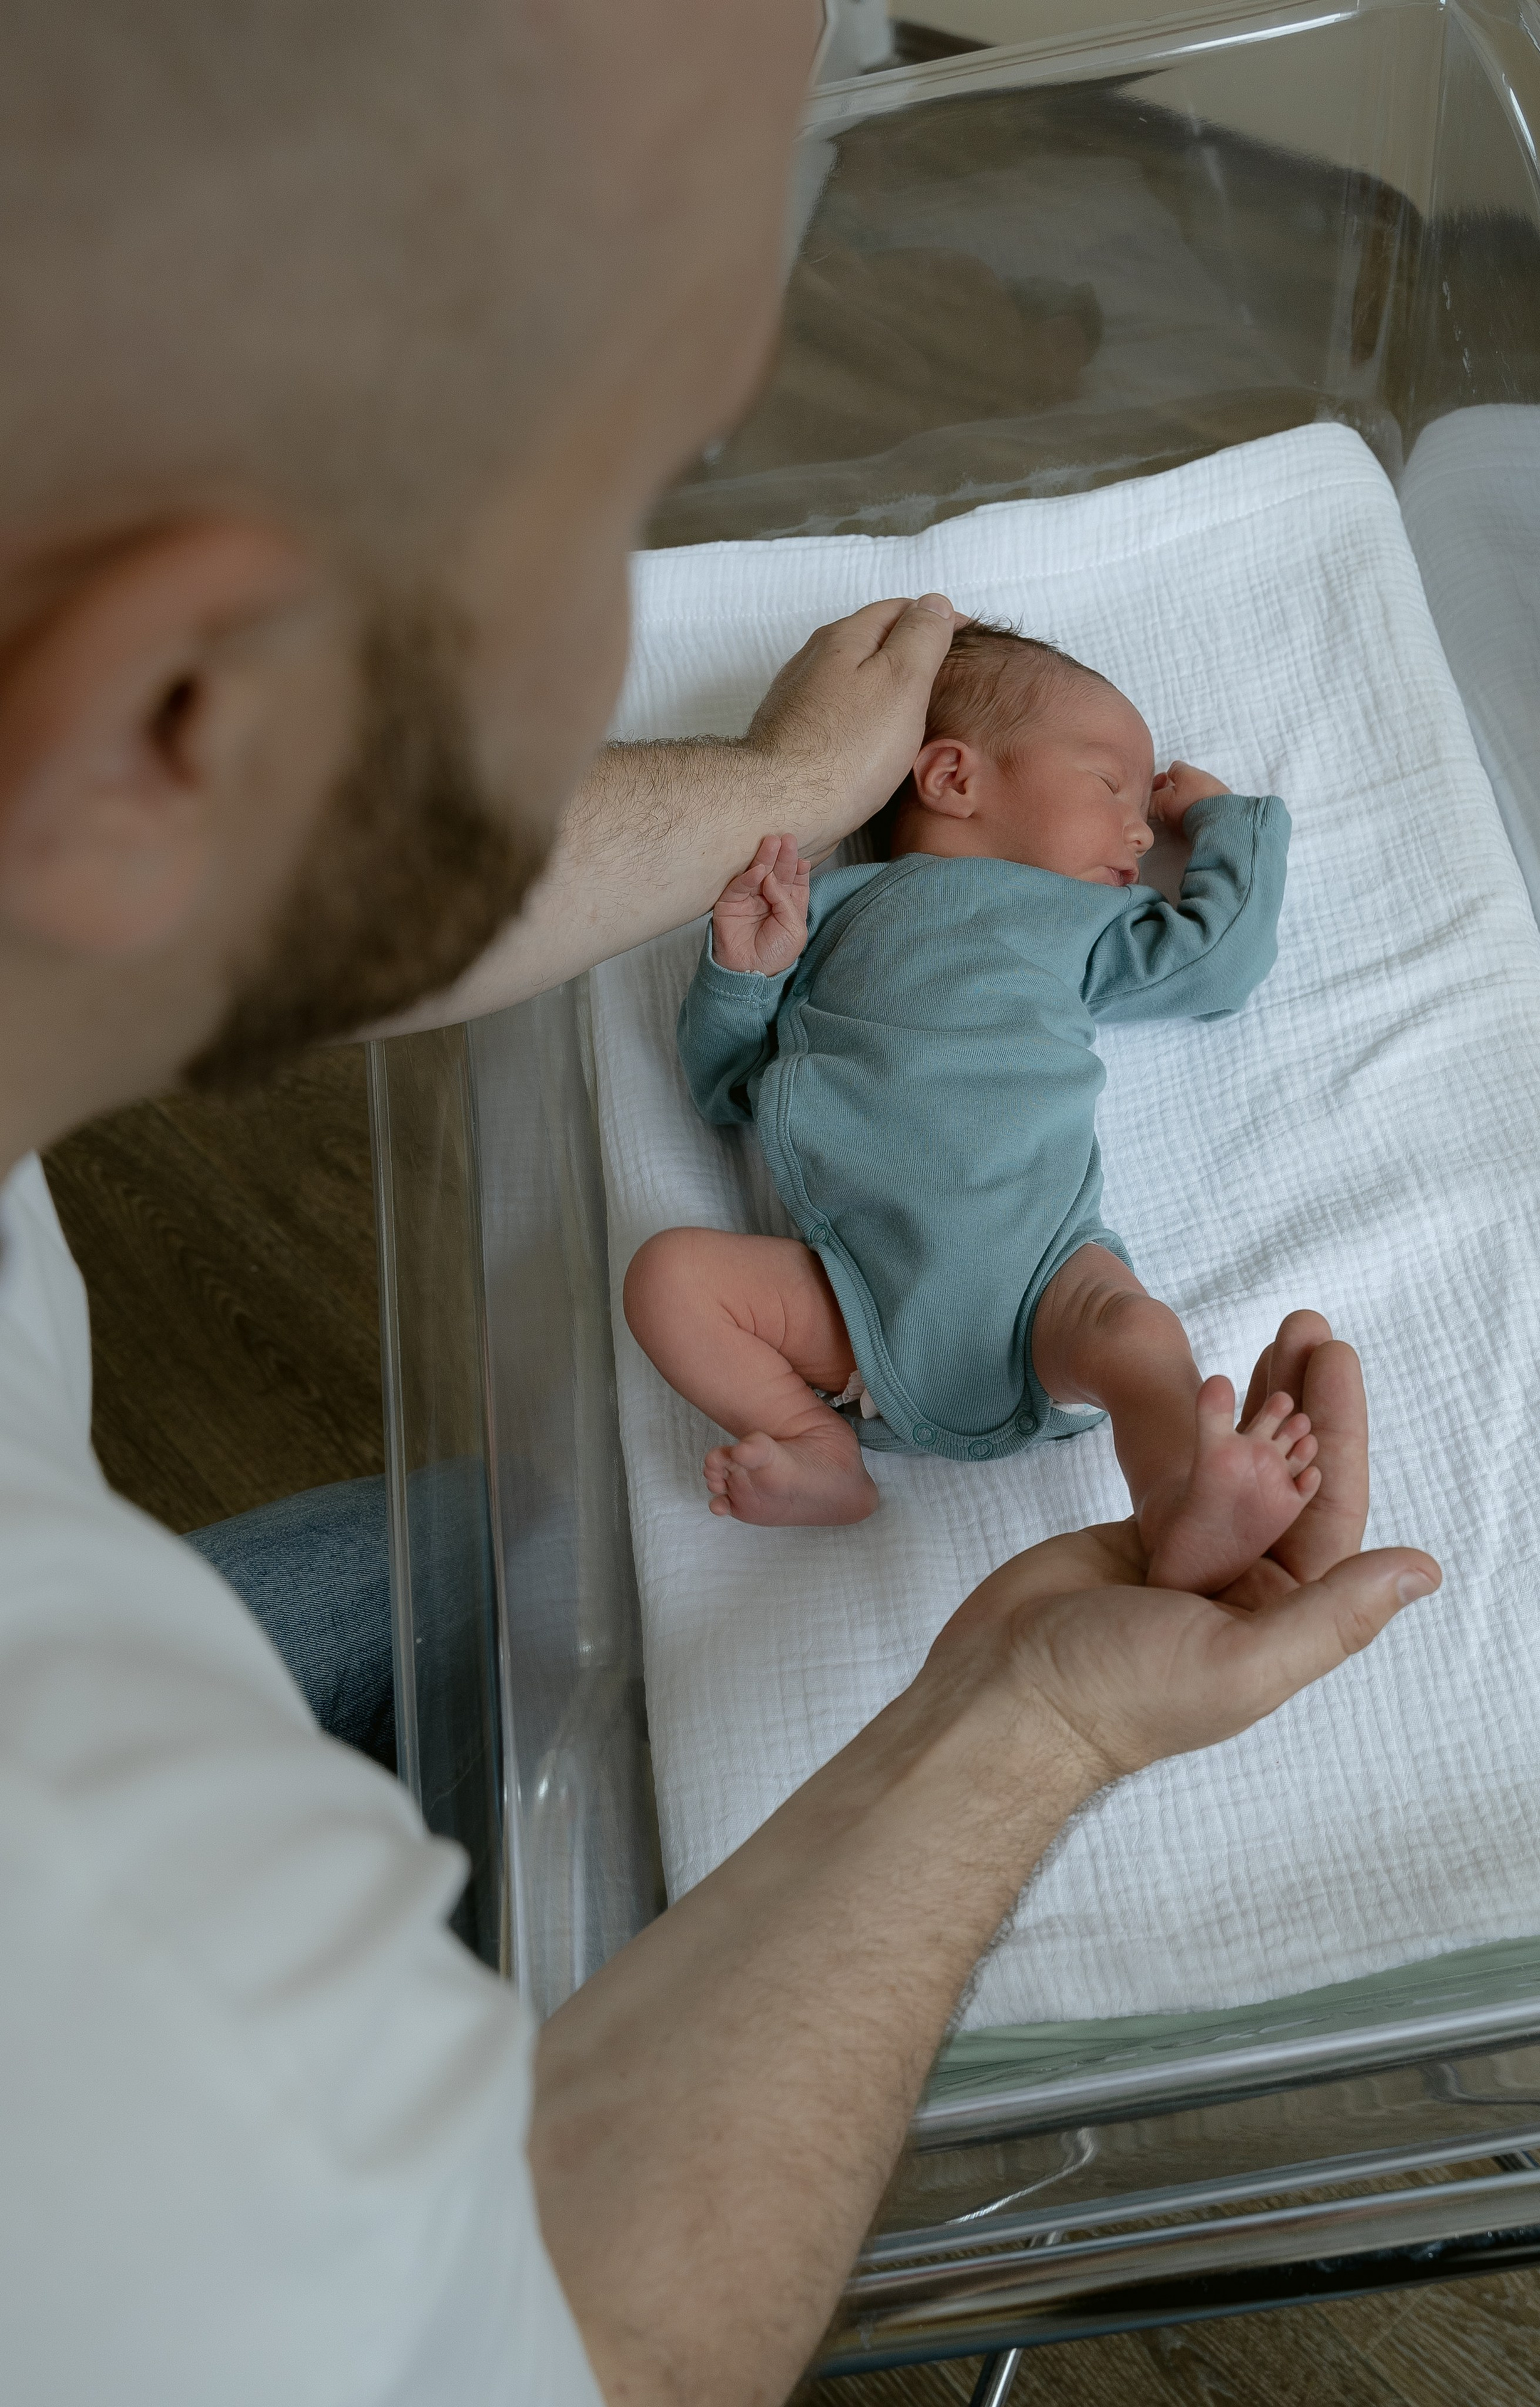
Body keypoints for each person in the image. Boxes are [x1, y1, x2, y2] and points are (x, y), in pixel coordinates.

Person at [0, 6, 1440, 2403]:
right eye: (628, 491)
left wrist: (793, 788)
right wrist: (1030, 1724)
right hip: (842, 1325)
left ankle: (1124, 1446)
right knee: (655, 1361)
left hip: (1014, 1296)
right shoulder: (119, 2008)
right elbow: (601, 2350)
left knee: (514, 1540)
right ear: (174, 706)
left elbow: (1206, 941)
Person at [626, 622, 1319, 1597]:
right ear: (954, 779)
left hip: (1048, 1275)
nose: (1140, 829)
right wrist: (745, 973)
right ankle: (814, 1442)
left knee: (1135, 1333)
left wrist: (1227, 825)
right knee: (668, 1278)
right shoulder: (829, 911)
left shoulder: (1082, 923)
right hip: (856, 1290)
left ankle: (1177, 1496)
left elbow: (1221, 960)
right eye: (1112, 786)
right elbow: (731, 1088)